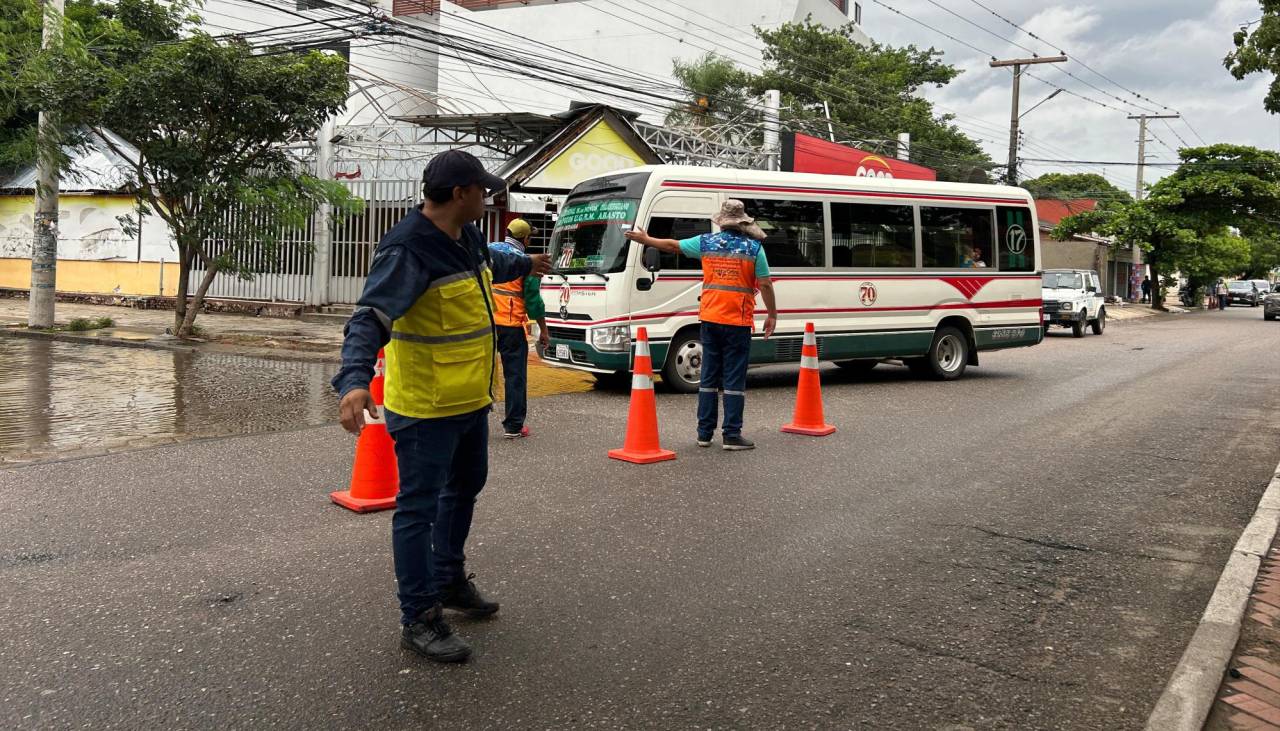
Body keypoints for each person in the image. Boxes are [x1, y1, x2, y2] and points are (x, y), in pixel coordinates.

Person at [332, 149, 551, 663]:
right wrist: (353, 380)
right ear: (460, 194)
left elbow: (491, 263)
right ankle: (419, 616)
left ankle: (448, 579)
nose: (488, 195)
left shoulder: (468, 235)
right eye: (482, 189)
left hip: (470, 399)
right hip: (426, 406)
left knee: (465, 488)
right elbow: (369, 318)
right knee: (417, 508)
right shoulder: (408, 250)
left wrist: (526, 261)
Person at [625, 199, 778, 451]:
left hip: (710, 318)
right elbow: (766, 284)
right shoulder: (754, 248)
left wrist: (647, 239)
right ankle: (731, 434)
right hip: (737, 322)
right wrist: (771, 314)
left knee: (708, 376)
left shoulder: (706, 243)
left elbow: (673, 245)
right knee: (733, 379)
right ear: (743, 223)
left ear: (722, 222)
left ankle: (704, 433)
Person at [489, 219, 549, 439]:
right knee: (514, 376)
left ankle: (472, 420)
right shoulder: (525, 262)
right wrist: (543, 330)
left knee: (482, 372)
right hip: (511, 326)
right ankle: (513, 426)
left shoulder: (490, 250)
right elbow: (533, 302)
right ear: (525, 239)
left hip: (486, 324)